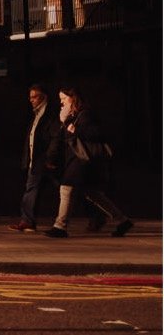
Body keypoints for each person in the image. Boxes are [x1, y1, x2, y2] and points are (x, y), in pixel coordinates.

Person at [44, 87, 132, 238]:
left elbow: (96, 133)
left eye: (64, 98)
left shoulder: (85, 114)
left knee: (66, 188)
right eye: (60, 99)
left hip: (83, 159)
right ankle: (122, 220)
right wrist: (65, 122)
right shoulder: (71, 115)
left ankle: (60, 226)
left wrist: (75, 129)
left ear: (73, 98)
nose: (61, 102)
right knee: (93, 193)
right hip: (78, 159)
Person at [8, 84, 58, 232]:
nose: (31, 100)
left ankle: (95, 215)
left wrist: (50, 157)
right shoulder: (36, 114)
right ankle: (27, 220)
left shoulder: (50, 114)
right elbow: (31, 139)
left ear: (44, 97)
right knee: (31, 189)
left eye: (35, 96)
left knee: (68, 189)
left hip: (47, 161)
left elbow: (55, 138)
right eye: (30, 97)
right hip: (36, 162)